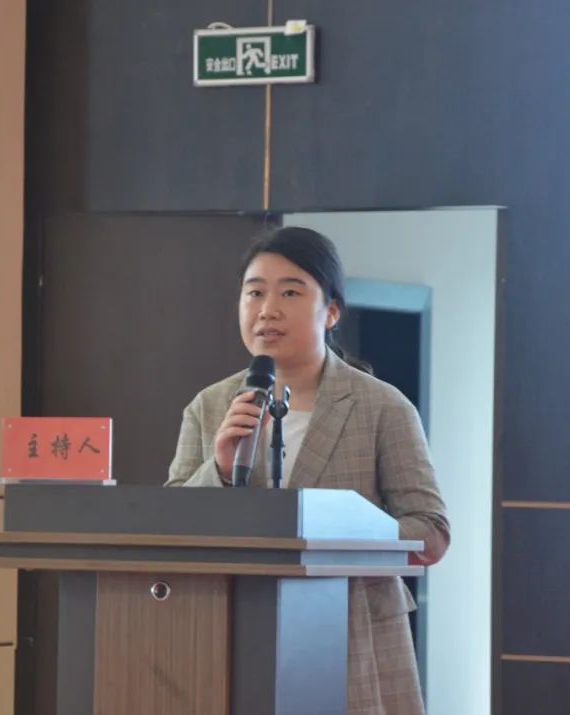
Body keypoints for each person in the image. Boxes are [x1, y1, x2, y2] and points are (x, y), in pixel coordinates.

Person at [165, 225, 450, 715]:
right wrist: (220, 468)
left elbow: (431, 533)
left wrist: (332, 530)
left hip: (352, 636)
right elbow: (168, 527)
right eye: (254, 292)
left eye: (291, 292)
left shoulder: (382, 407)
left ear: (331, 311)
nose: (267, 310)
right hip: (233, 633)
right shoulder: (210, 406)